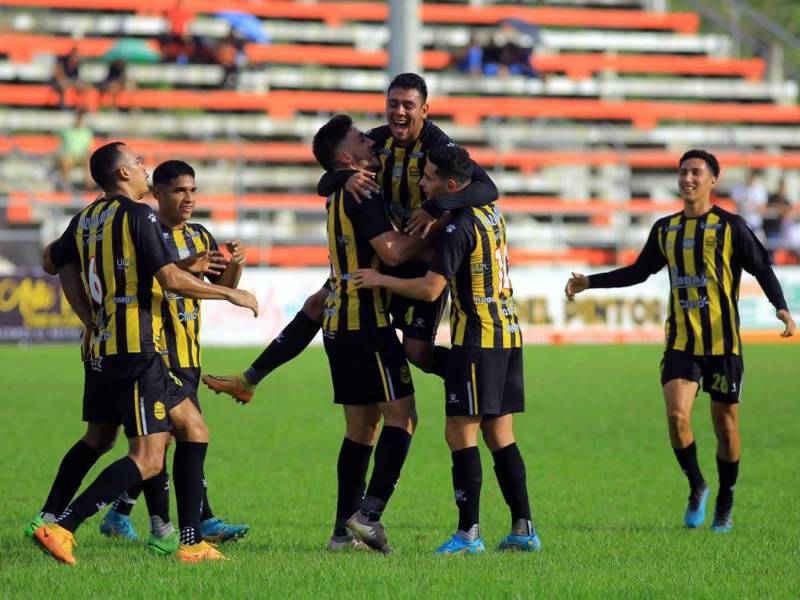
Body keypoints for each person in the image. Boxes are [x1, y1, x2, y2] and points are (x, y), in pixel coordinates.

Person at [27, 142, 258, 565]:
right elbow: (170, 278)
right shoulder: (139, 213)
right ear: (121, 174)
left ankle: (190, 543)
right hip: (138, 348)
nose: (143, 165)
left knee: (192, 429)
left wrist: (89, 317)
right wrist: (230, 292)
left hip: (105, 347)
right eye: (136, 161)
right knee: (149, 458)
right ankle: (62, 525)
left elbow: (51, 261)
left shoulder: (86, 218)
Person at [203, 72, 497, 403]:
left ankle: (477, 373)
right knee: (318, 302)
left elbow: (488, 188)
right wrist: (343, 177)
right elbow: (328, 173)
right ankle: (250, 378)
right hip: (390, 251)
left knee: (418, 353)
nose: (399, 112)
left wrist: (436, 206)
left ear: (425, 110)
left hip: (421, 256)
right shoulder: (377, 141)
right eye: (393, 104)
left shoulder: (440, 147)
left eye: (408, 106)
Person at [564, 149, 796, 533]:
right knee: (676, 417)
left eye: (696, 172)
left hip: (723, 346)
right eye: (683, 172)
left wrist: (782, 309)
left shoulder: (731, 227)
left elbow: (762, 268)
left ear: (713, 180)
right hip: (681, 342)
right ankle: (697, 485)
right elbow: (639, 272)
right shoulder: (665, 229)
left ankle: (726, 495)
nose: (688, 178)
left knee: (725, 427)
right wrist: (591, 281)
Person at [353, 143, 541, 555]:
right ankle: (524, 529)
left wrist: (380, 280)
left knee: (459, 431)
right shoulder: (490, 212)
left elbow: (430, 288)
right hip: (508, 334)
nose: (422, 182)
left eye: (430, 177)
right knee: (500, 433)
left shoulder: (460, 226)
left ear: (451, 185)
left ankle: (468, 534)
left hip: (476, 339)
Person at [98, 160, 250, 552]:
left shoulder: (200, 234)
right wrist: (186, 267)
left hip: (189, 352)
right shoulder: (145, 230)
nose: (189, 198)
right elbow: (156, 281)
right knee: (175, 437)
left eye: (193, 190)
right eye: (180, 190)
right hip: (156, 352)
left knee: (174, 439)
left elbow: (217, 285)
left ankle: (125, 513)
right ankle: (189, 524)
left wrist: (234, 267)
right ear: (158, 192)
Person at [312, 114, 430, 553]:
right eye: (362, 138)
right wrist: (432, 232)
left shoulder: (341, 190)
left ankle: (342, 533)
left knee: (361, 428)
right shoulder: (362, 190)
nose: (371, 140)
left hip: (338, 325)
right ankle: (368, 516)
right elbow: (392, 252)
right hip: (367, 321)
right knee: (404, 417)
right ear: (346, 156)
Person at [55, 109, 94, 191]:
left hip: (80, 157)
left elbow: (88, 149)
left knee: (90, 160)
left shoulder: (87, 132)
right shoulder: (67, 131)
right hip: (68, 156)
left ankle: (89, 185)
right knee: (67, 160)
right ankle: (64, 184)